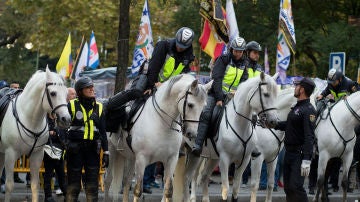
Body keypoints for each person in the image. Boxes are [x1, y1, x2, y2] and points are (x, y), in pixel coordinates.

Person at [191, 37, 262, 157]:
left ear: (243, 51)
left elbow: (244, 81)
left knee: (251, 115)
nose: (238, 53)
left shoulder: (244, 63)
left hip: (233, 97)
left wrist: (238, 93)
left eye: (240, 51)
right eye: (236, 51)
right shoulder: (223, 59)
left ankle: (252, 145)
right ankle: (198, 144)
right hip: (216, 94)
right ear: (231, 49)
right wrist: (219, 98)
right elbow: (217, 79)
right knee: (207, 113)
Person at [107, 27, 195, 110]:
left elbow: (183, 75)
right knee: (136, 92)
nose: (179, 48)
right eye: (178, 45)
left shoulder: (189, 57)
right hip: (151, 79)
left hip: (168, 88)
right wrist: (152, 85)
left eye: (183, 47)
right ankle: (109, 105)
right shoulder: (163, 45)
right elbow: (153, 67)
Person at [66, 77, 109, 202]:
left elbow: (102, 132)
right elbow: (62, 129)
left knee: (92, 186)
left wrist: (106, 152)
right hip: (75, 150)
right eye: (88, 87)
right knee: (73, 185)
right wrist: (66, 145)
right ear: (79, 91)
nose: (92, 89)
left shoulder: (99, 107)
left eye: (92, 87)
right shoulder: (72, 105)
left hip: (92, 150)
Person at [274, 77, 316, 202]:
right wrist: (273, 124)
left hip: (300, 154)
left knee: (296, 187)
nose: (295, 88)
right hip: (289, 152)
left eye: (297, 86)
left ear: (302, 89)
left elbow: (310, 136)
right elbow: (289, 125)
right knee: (288, 188)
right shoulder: (297, 107)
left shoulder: (308, 110)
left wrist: (307, 159)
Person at [43, 88, 76, 202]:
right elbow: (47, 134)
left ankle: (67, 196)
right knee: (48, 174)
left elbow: (63, 132)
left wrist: (55, 133)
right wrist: (52, 133)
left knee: (61, 174)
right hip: (49, 149)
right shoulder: (45, 119)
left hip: (60, 150)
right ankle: (48, 196)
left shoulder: (59, 118)